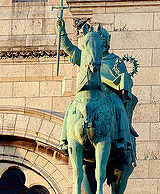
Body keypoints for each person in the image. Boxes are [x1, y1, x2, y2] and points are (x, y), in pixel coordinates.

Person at [57, 16, 138, 163]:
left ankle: (123, 139)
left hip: (110, 93)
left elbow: (126, 82)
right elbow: (69, 48)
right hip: (90, 92)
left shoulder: (116, 60)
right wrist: (61, 32)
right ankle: (65, 139)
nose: (103, 46)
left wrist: (124, 81)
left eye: (105, 43)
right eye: (101, 44)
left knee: (119, 108)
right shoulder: (85, 57)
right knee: (71, 108)